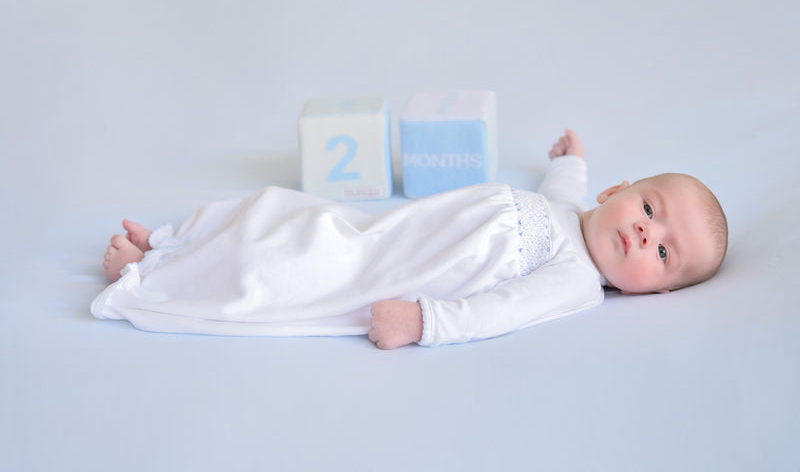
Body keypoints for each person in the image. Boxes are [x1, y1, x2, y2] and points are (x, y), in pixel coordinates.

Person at [95, 130, 727, 349]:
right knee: (290, 218)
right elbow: (566, 190)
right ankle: (176, 245)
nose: (645, 231)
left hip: (388, 271)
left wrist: (424, 322)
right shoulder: (571, 213)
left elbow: (499, 312)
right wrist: (572, 160)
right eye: (650, 207)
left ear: (656, 293)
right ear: (616, 190)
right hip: (384, 233)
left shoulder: (576, 281)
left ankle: (152, 276)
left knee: (292, 271)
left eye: (663, 252)